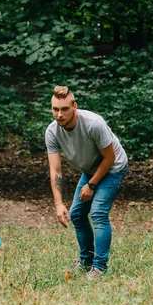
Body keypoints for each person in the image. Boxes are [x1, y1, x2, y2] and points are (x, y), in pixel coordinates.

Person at [45, 85, 128, 280]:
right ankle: (86, 261)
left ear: (75, 106)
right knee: (76, 214)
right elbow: (55, 170)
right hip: (90, 169)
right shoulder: (52, 131)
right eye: (55, 109)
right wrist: (58, 203)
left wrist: (91, 185)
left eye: (64, 109)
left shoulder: (93, 123)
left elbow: (109, 158)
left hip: (113, 166)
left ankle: (99, 267)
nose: (59, 114)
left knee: (98, 212)